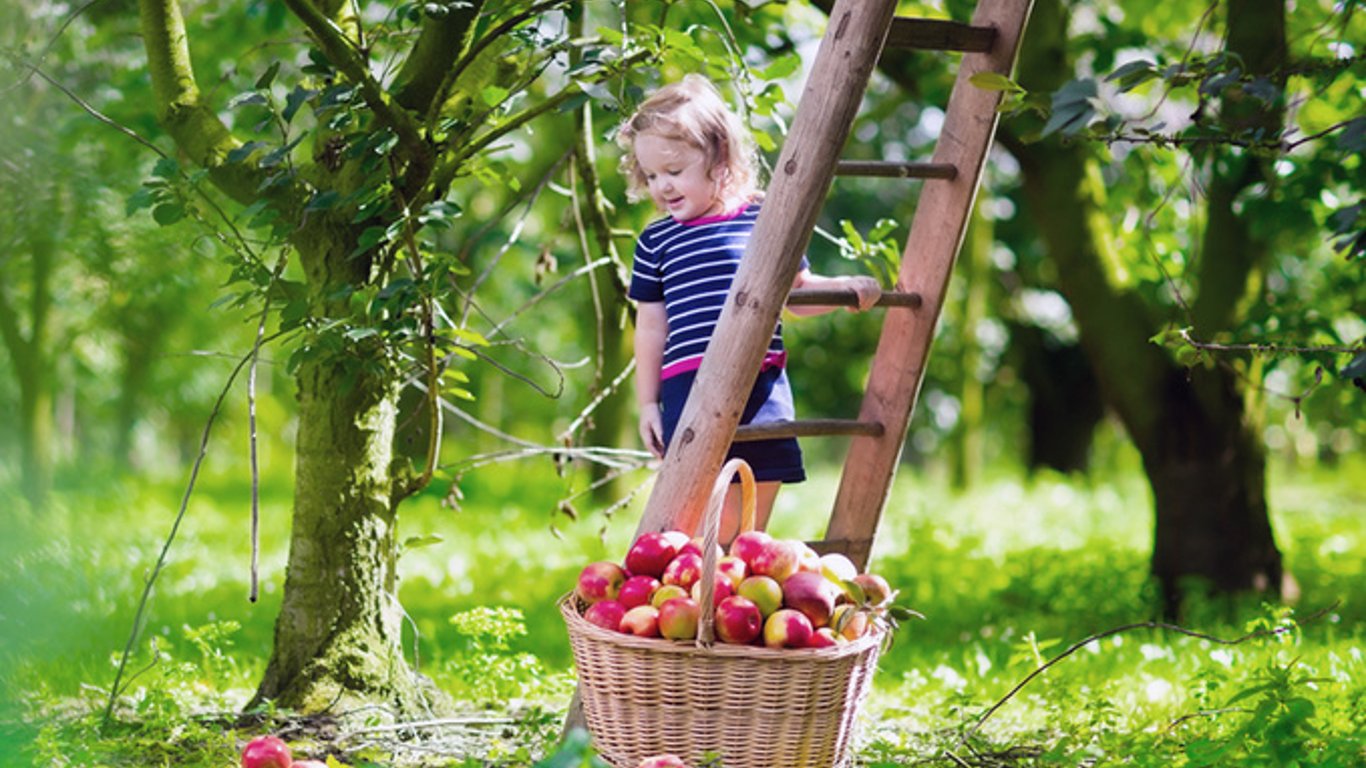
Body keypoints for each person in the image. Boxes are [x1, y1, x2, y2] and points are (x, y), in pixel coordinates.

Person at [618, 74, 881, 542]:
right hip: (688, 386)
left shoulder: (762, 217)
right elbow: (650, 329)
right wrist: (646, 404)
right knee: (696, 516)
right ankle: (700, 596)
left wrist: (842, 288)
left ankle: (739, 590)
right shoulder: (654, 241)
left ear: (719, 158)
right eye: (651, 176)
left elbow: (797, 294)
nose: (662, 186)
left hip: (760, 384)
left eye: (674, 171)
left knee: (751, 520)